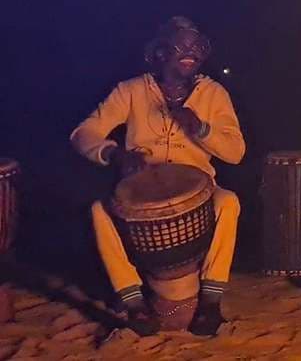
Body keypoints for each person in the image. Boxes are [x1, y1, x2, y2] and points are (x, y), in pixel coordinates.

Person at [71, 17, 245, 337]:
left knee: (228, 202)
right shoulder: (131, 91)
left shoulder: (213, 94)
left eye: (196, 46)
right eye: (181, 46)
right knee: (100, 210)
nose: (190, 53)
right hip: (141, 190)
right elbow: (84, 133)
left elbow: (235, 152)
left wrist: (200, 129)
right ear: (161, 52)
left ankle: (211, 301)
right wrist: (114, 154)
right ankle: (134, 301)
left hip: (197, 190)